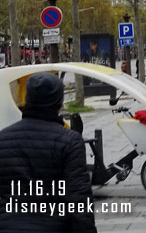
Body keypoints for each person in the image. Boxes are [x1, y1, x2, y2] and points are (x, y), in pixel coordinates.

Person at [0, 73, 97, 232]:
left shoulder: (3, 139)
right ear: (59, 102)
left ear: (28, 98)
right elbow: (79, 199)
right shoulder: (70, 141)